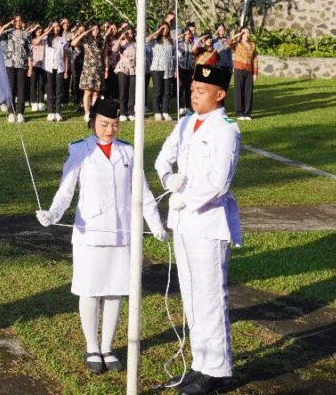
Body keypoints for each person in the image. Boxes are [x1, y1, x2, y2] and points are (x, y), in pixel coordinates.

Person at [36, 97, 167, 373]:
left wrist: (155, 224)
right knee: (90, 290)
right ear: (93, 121)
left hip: (121, 232)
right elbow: (66, 191)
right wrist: (52, 214)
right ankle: (91, 346)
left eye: (115, 124)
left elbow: (143, 192)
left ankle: (107, 347)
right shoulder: (79, 151)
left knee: (115, 291)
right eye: (105, 124)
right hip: (90, 232)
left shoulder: (128, 153)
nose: (110, 130)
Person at [154, 64, 241, 395]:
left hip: (208, 221)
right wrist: (169, 180)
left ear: (219, 95)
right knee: (190, 295)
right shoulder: (186, 122)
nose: (194, 95)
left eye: (201, 91)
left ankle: (218, 370)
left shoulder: (226, 129)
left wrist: (185, 198)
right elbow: (163, 159)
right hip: (184, 222)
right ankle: (200, 363)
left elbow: (219, 182)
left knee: (210, 297)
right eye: (192, 90)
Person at [34, 22, 69, 122]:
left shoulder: (63, 40)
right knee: (50, 89)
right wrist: (47, 31)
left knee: (58, 90)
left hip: (59, 67)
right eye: (54, 27)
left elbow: (66, 56)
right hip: (48, 67)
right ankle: (50, 112)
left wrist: (66, 70)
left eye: (58, 26)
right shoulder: (46, 39)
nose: (56, 28)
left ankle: (57, 111)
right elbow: (36, 42)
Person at [0, 15, 30, 123]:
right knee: (11, 88)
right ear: (13, 21)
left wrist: (30, 66)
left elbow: (30, 51)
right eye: (16, 21)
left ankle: (20, 112)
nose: (18, 22)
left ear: (22, 22)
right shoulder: (8, 32)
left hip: (22, 64)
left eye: (20, 20)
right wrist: (8, 24)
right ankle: (11, 112)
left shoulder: (26, 34)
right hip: (10, 63)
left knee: (21, 89)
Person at [70, 23, 104, 122]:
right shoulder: (86, 41)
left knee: (96, 94)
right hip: (88, 70)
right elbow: (73, 43)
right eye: (94, 29)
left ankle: (94, 112)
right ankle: (87, 112)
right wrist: (86, 32)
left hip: (98, 70)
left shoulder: (101, 41)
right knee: (87, 92)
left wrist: (105, 69)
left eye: (97, 29)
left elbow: (104, 56)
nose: (96, 30)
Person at [148, 24, 175, 121]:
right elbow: (145, 40)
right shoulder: (155, 41)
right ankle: (157, 111)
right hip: (157, 67)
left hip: (168, 68)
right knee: (158, 91)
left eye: (167, 28)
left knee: (167, 91)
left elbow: (174, 56)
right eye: (163, 28)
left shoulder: (171, 41)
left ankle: (165, 111)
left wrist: (175, 69)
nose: (165, 30)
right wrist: (157, 32)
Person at [231, 28, 258, 120]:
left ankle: (247, 113)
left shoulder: (252, 45)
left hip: (249, 70)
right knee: (239, 91)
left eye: (247, 33)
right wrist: (236, 36)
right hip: (239, 69)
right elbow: (227, 44)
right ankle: (240, 113)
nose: (246, 34)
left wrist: (255, 73)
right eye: (244, 33)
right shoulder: (236, 44)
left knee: (248, 92)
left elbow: (255, 59)